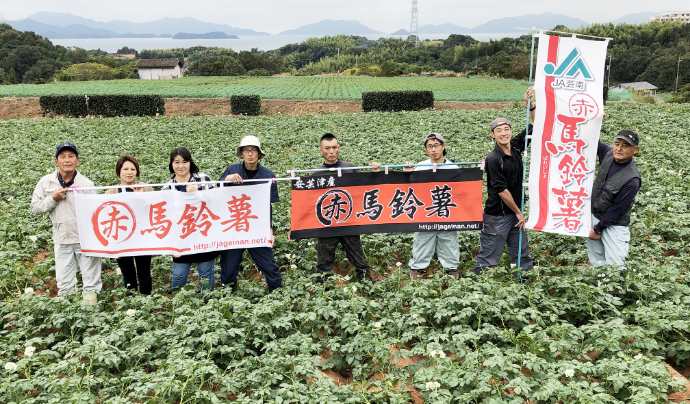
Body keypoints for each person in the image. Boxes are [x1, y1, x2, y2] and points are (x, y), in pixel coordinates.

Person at [30, 142, 102, 304]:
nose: (67, 160)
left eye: (71, 156)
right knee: (64, 283)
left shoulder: (86, 184)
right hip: (61, 240)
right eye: (62, 157)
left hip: (85, 241)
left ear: (78, 160)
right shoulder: (46, 183)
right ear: (56, 161)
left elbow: (96, 214)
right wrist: (52, 199)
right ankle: (67, 317)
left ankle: (90, 318)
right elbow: (35, 207)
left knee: (91, 283)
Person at [474, 88, 535, 275]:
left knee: (521, 253)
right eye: (498, 130)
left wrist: (530, 104)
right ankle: (480, 288)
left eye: (506, 129)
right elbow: (502, 190)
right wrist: (518, 212)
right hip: (498, 216)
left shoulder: (516, 147)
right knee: (490, 255)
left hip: (515, 213)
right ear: (493, 135)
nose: (503, 133)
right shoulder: (493, 159)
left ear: (510, 131)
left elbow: (535, 124)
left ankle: (524, 283)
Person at [218, 135, 282, 292]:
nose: (250, 154)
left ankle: (278, 297)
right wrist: (227, 179)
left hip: (256, 227)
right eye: (246, 150)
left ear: (259, 153)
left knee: (269, 267)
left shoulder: (268, 175)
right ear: (241, 154)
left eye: (253, 150)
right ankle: (229, 298)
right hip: (235, 227)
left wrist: (269, 231)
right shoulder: (232, 170)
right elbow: (216, 190)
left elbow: (268, 205)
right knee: (229, 269)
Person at [312, 133, 375, 284]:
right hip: (327, 224)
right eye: (327, 148)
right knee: (324, 261)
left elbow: (361, 190)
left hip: (349, 222)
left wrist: (375, 173)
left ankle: (368, 287)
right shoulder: (316, 174)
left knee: (358, 258)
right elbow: (311, 202)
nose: (331, 151)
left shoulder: (350, 167)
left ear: (339, 148)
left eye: (334, 147)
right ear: (321, 150)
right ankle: (323, 293)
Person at [403, 133, 461, 280]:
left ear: (443, 146)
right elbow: (410, 189)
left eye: (436, 145)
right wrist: (406, 174)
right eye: (430, 146)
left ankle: (452, 274)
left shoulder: (453, 167)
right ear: (425, 149)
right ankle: (417, 273)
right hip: (426, 214)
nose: (434, 149)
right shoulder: (420, 167)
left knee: (449, 242)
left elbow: (461, 191)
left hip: (447, 213)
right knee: (422, 242)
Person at [162, 147, 217, 291]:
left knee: (205, 274)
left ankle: (207, 304)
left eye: (184, 161)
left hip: (204, 234)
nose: (181, 166)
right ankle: (178, 304)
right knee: (179, 275)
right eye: (176, 162)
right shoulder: (167, 188)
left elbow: (216, 204)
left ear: (190, 162)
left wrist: (197, 193)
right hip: (181, 237)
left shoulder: (204, 179)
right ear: (171, 164)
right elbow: (167, 219)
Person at [587, 130, 641, 268]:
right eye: (617, 143)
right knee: (597, 260)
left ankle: (615, 290)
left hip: (614, 225)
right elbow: (592, 140)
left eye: (625, 145)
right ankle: (600, 285)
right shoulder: (608, 153)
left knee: (615, 266)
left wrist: (598, 229)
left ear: (635, 150)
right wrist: (597, 119)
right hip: (595, 216)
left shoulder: (632, 179)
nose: (619, 148)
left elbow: (617, 210)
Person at [105, 155, 154, 295]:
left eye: (133, 169)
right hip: (122, 240)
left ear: (137, 172)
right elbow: (107, 220)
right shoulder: (110, 192)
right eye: (125, 169)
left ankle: (145, 305)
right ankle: (131, 307)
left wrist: (141, 196)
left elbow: (152, 211)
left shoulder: (147, 189)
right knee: (128, 276)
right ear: (119, 172)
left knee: (144, 274)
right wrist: (112, 246)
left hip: (142, 238)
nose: (129, 172)